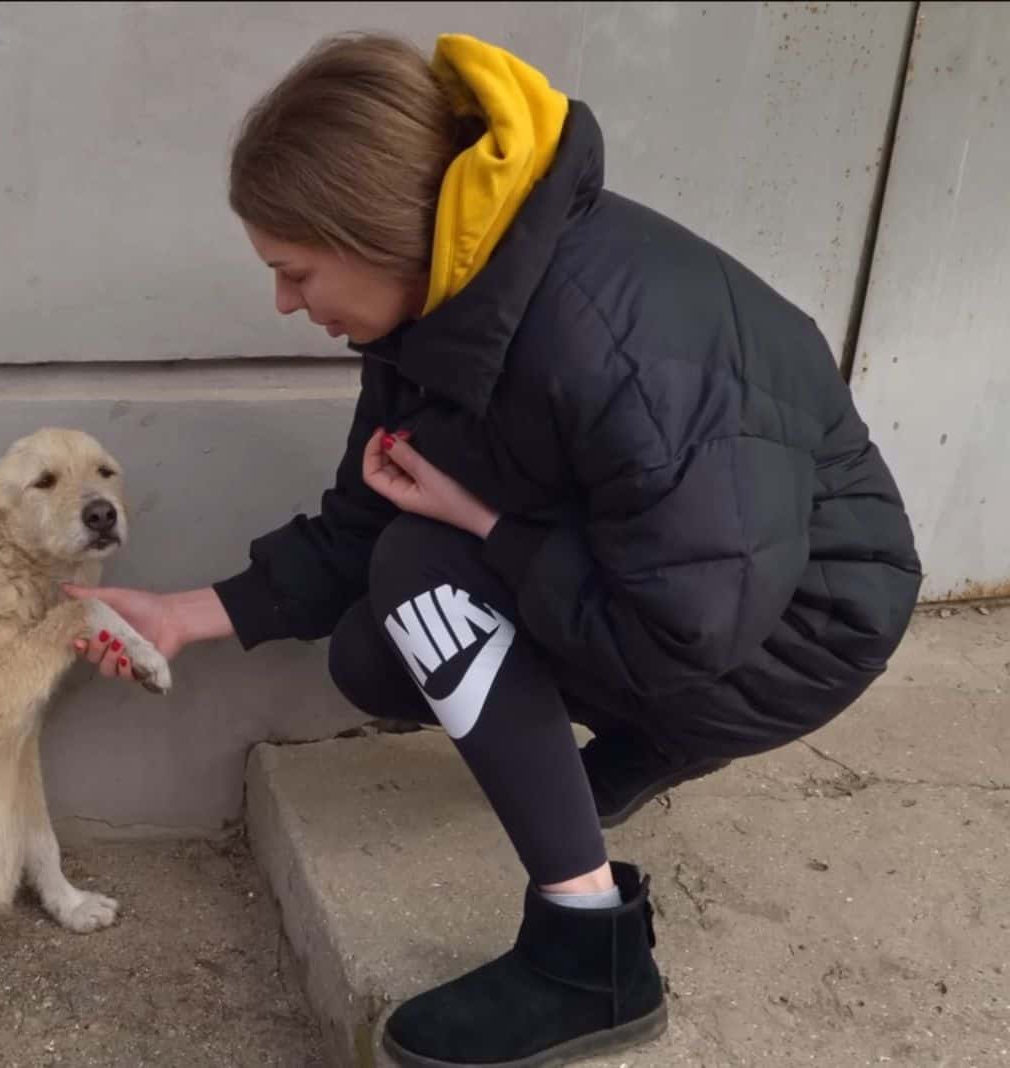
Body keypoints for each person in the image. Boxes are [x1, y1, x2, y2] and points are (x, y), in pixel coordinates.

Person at [67, 32, 922, 1068]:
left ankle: (590, 954)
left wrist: (484, 529)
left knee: (422, 576)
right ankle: (656, 747)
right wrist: (185, 615)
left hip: (792, 632)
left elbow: (676, 630)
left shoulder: (614, 348)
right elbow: (363, 516)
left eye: (294, 271)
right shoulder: (447, 306)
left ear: (375, 234)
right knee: (372, 653)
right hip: (693, 593)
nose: (284, 305)